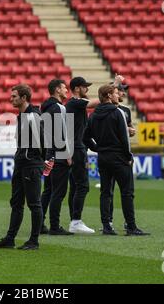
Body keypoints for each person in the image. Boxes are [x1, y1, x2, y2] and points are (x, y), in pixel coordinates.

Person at [83, 84, 149, 236]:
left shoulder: (93, 115)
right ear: (108, 96)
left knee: (106, 192)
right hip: (119, 157)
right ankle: (131, 227)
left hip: (103, 158)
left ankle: (107, 226)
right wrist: (128, 156)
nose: (117, 95)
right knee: (127, 193)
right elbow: (124, 138)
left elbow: (85, 137)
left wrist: (97, 148)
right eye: (114, 93)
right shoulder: (117, 112)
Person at [0, 84, 45, 250]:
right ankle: (10, 238)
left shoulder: (32, 116)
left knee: (34, 204)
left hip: (30, 165)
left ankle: (34, 241)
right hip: (21, 163)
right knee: (16, 203)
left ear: (24, 98)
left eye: (14, 96)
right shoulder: (22, 116)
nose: (11, 99)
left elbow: (44, 140)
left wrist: (39, 161)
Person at [40, 79, 73, 235]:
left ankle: (39, 223)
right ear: (57, 90)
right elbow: (61, 134)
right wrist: (67, 154)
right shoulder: (59, 108)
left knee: (48, 191)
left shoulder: (45, 108)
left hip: (48, 154)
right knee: (58, 192)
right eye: (64, 88)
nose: (67, 90)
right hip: (59, 155)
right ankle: (55, 226)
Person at [66, 77, 99, 234]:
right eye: (85, 87)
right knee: (83, 186)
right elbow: (95, 103)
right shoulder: (74, 103)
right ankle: (76, 221)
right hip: (77, 149)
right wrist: (113, 87)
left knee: (75, 186)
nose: (87, 89)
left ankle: (74, 219)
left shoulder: (75, 105)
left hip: (77, 148)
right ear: (77, 89)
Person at [107, 75, 136, 231]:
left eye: (124, 91)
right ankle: (109, 222)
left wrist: (130, 131)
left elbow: (129, 128)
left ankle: (127, 222)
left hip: (120, 152)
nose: (123, 94)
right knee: (110, 191)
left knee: (126, 191)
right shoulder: (107, 109)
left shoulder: (125, 110)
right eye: (121, 90)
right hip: (116, 154)